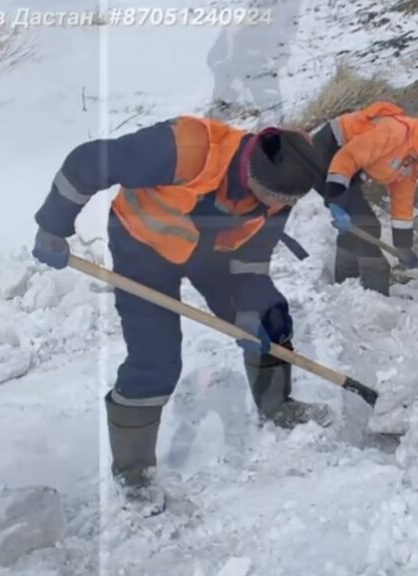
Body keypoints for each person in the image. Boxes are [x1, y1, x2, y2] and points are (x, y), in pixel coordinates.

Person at [30, 116, 327, 506]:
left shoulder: (282, 189)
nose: (279, 208)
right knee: (156, 358)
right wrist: (53, 225)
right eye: (275, 199)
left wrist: (252, 310)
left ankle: (277, 404)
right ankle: (133, 470)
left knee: (270, 317)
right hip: (144, 248)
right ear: (254, 172)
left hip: (215, 255)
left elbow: (254, 259)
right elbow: (86, 163)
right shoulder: (186, 149)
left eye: (287, 203)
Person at [312, 101, 418, 295]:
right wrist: (336, 199)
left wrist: (403, 246)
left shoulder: (410, 162)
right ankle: (375, 290)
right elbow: (346, 158)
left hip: (349, 167)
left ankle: (346, 282)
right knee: (366, 225)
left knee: (359, 223)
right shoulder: (393, 133)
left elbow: (402, 205)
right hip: (327, 152)